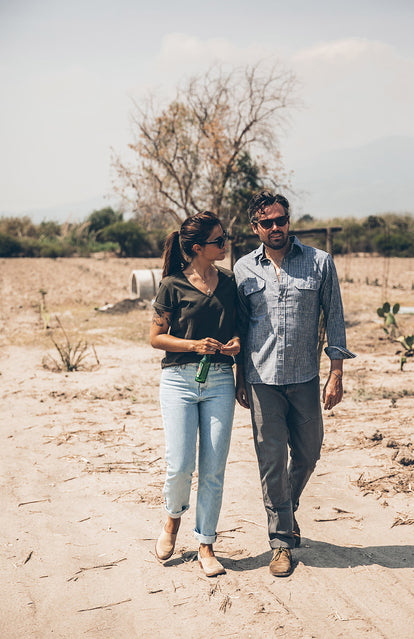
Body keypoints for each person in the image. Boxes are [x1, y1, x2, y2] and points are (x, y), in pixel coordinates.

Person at [234, 191, 355, 577]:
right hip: (260, 379)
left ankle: (286, 507)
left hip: (304, 377)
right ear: (255, 227)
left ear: (289, 220)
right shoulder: (242, 270)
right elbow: (239, 328)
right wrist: (239, 376)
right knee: (271, 463)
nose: (275, 227)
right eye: (266, 222)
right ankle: (281, 543)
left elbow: (334, 319)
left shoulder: (319, 263)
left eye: (280, 220)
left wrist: (337, 372)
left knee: (308, 454)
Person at [150, 211, 240, 578]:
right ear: (198, 247)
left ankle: (205, 543)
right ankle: (172, 520)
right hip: (179, 381)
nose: (225, 244)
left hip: (220, 378)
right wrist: (193, 345)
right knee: (181, 464)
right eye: (220, 240)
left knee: (214, 468)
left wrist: (235, 345)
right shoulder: (172, 285)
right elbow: (156, 338)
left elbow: (238, 331)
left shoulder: (230, 282)